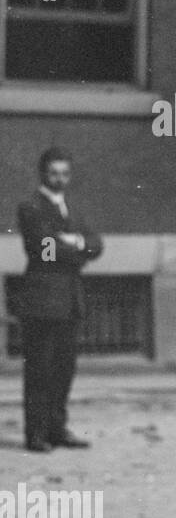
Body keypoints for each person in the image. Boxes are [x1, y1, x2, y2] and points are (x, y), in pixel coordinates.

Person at [16, 148, 104, 452]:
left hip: (69, 300)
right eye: (54, 173)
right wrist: (75, 249)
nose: (60, 179)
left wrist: (75, 241)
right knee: (40, 369)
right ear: (43, 173)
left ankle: (57, 428)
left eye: (65, 173)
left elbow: (97, 245)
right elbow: (43, 250)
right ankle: (36, 434)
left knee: (64, 369)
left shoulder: (73, 208)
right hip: (42, 300)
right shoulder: (30, 207)